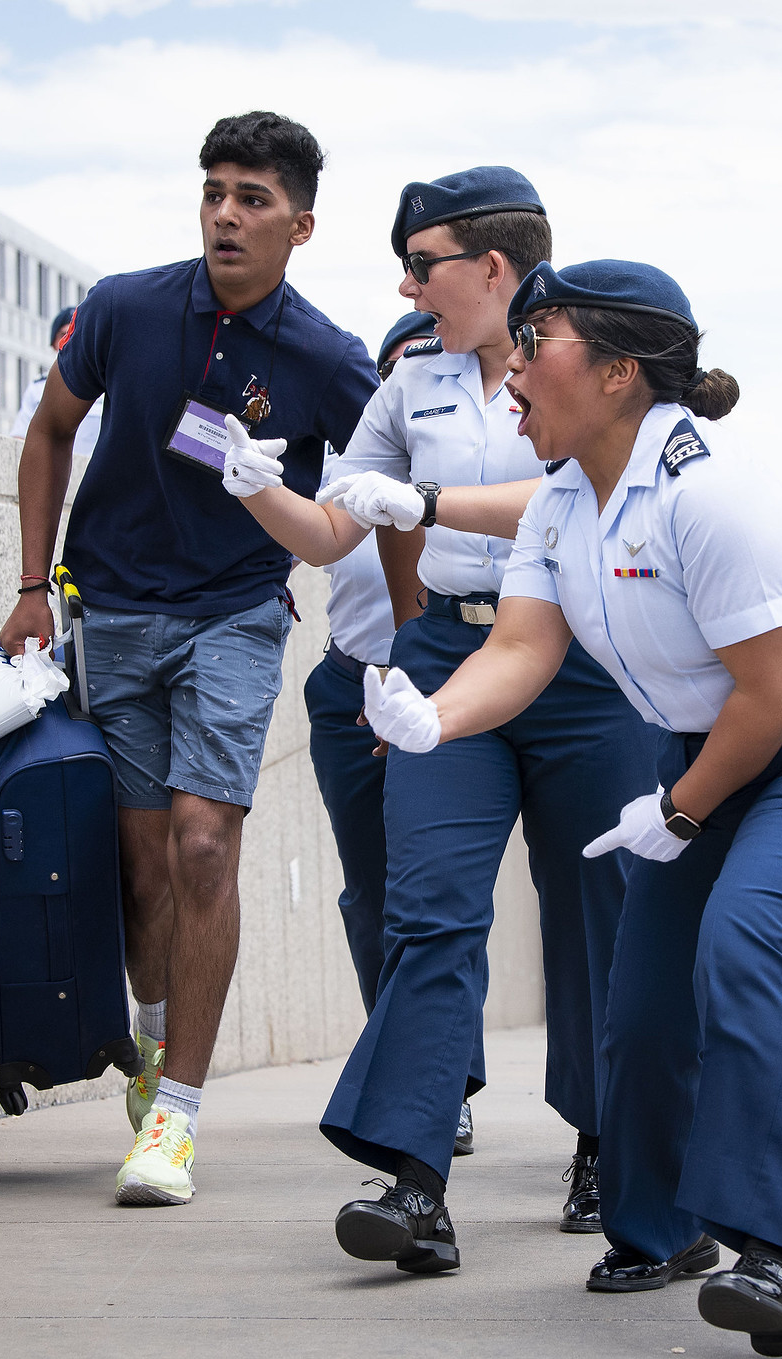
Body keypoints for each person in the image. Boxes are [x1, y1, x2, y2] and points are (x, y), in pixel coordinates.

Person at [360, 259, 782, 1358]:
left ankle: (768, 1257)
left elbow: (770, 694)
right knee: (645, 999)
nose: (512, 371)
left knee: (751, 937)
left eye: (536, 344)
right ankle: (661, 1232)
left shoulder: (707, 489)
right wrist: (434, 718)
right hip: (713, 755)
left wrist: (677, 809)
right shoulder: (564, 496)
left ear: (619, 372)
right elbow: (521, 646)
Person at [227, 170, 657, 1260]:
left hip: (581, 655)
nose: (406, 283)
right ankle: (413, 1178)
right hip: (446, 647)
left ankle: (609, 1139)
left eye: (422, 264)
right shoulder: (408, 383)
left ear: (492, 269)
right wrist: (253, 488)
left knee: (597, 903)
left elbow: (583, 485)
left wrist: (426, 504)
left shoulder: (586, 358)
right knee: (428, 906)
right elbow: (332, 530)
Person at [0, 111, 379, 1207]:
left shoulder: (320, 354)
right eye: (214, 191)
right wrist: (34, 585)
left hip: (234, 613)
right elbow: (49, 429)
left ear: (299, 226)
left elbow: (387, 475)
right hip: (109, 609)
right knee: (143, 863)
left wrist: (401, 614)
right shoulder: (124, 306)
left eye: (252, 199)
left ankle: (176, 1119)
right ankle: (155, 1042)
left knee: (206, 846)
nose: (225, 214)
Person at [305, 310, 482, 1156]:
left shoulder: (471, 482)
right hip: (351, 687)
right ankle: (418, 1073)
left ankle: (442, 1083)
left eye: (432, 361)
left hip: (443, 693)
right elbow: (303, 544)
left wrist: (426, 694)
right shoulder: (350, 476)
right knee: (371, 895)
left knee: (440, 895)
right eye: (400, 369)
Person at [9, 305, 104, 456]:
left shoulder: (106, 387)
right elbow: (19, 438)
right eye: (64, 335)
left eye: (75, 335)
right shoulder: (37, 389)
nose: (70, 341)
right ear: (54, 343)